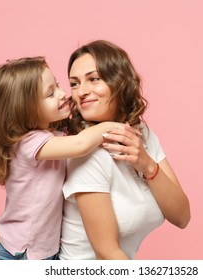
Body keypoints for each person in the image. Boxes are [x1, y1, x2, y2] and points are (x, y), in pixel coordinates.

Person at [0, 56, 127, 260]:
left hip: (46, 249)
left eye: (57, 85)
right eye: (50, 93)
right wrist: (112, 126)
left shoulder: (51, 137)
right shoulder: (28, 144)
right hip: (23, 253)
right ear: (25, 110)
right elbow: (80, 144)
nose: (63, 94)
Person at [59, 40, 191, 260]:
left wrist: (147, 164)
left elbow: (182, 217)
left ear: (119, 81)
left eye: (94, 79)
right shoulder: (85, 155)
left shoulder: (142, 135)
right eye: (74, 83)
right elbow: (106, 252)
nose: (81, 91)